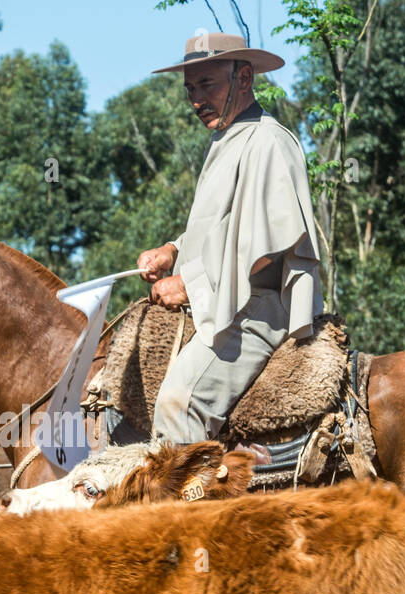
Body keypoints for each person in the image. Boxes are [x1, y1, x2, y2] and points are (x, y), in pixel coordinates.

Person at [137, 32, 325, 444]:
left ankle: (193, 507)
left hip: (256, 310)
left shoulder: (268, 141)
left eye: (207, 85)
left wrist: (189, 284)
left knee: (178, 403)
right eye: (190, 88)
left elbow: (266, 251)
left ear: (244, 78)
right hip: (223, 302)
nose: (196, 99)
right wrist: (173, 250)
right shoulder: (228, 139)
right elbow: (225, 229)